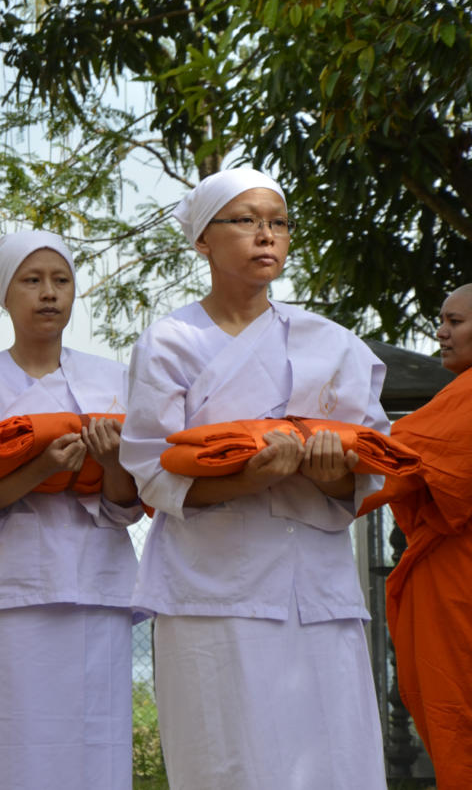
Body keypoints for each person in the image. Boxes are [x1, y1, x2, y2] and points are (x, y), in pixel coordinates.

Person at [118, 168, 388, 789]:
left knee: (331, 754)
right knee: (229, 757)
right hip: (213, 591)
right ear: (203, 242)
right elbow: (153, 476)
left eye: (278, 222)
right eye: (246, 221)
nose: (266, 234)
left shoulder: (334, 344)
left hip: (313, 589)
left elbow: (367, 471)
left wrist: (326, 475)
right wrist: (247, 479)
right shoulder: (169, 343)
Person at [0, 231, 144, 789]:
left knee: (98, 737)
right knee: (14, 738)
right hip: (13, 587)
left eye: (61, 280)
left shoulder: (112, 378)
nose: (49, 294)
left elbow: (128, 505)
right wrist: (39, 468)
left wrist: (112, 463)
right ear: (6, 295)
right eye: (32, 281)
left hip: (98, 583)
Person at [360, 283, 472, 787]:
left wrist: (271, 475)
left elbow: (389, 466)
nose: (441, 333)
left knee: (460, 727)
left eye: (456, 322)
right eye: (441, 320)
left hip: (459, 585)